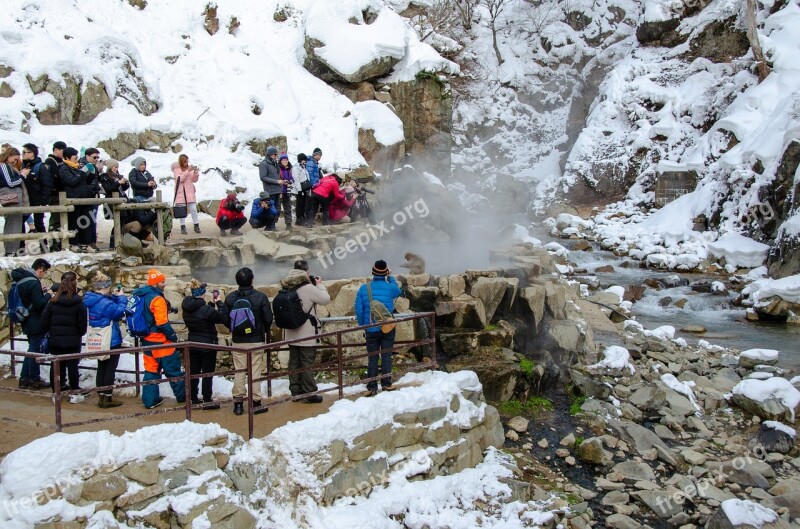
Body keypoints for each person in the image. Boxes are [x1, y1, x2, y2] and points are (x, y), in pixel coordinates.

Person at [133, 269, 186, 409]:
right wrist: (173, 336)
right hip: (161, 342)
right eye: (162, 282)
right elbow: (162, 323)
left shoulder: (142, 295)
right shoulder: (157, 299)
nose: (164, 284)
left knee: (151, 371)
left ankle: (150, 400)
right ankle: (183, 398)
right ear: (156, 283)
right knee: (174, 370)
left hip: (147, 340)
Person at [224, 267, 272, 416]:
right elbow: (268, 319)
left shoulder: (231, 298)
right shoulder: (260, 297)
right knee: (255, 371)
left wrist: (235, 330)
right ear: (252, 280)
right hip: (256, 339)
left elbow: (225, 319)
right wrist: (262, 330)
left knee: (239, 371)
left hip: (238, 340)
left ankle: (238, 404)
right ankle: (255, 403)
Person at [279, 266, 330, 403]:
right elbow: (325, 299)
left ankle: (296, 392)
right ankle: (310, 394)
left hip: (291, 333)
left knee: (294, 362)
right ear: (305, 273)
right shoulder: (309, 288)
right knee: (307, 363)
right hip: (307, 333)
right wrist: (320, 285)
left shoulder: (286, 287)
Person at [354, 260, 403, 397]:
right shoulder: (390, 287)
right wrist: (391, 276)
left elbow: (359, 309)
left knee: (373, 358)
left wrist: (363, 325)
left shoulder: (364, 288)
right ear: (385, 272)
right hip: (387, 327)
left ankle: (371, 387)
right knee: (386, 356)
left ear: (372, 272)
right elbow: (398, 290)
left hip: (371, 328)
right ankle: (386, 384)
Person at [41, 272, 88, 401]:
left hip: (55, 339)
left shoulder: (52, 302)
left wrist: (52, 331)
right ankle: (74, 393)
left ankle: (56, 393)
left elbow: (44, 321)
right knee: (73, 366)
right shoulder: (79, 303)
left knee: (55, 366)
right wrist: (77, 333)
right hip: (73, 340)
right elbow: (82, 325)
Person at [181, 280, 228, 409]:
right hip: (208, 345)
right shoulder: (205, 309)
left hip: (193, 343)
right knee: (207, 373)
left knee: (194, 372)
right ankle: (207, 400)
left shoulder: (186, 308)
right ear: (202, 294)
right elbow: (221, 318)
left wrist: (210, 305)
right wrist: (219, 302)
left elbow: (203, 316)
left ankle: (193, 398)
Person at [84, 276, 128, 408]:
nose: (109, 289)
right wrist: (121, 298)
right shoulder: (104, 303)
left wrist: (113, 297)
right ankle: (108, 398)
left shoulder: (92, 299)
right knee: (110, 369)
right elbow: (118, 312)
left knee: (101, 367)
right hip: (110, 339)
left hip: (99, 338)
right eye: (108, 287)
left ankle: (101, 396)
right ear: (103, 287)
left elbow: (108, 306)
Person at [10, 258, 52, 389]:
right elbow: (39, 304)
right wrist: (48, 295)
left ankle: (24, 379)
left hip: (25, 319)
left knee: (31, 350)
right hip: (35, 321)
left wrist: (40, 293)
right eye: (44, 273)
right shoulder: (33, 282)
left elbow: (28, 298)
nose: (43, 275)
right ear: (40, 269)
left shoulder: (21, 279)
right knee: (35, 351)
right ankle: (34, 379)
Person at [59, 147, 99, 253]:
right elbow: (72, 181)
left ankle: (85, 243)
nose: (77, 160)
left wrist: (91, 173)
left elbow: (85, 181)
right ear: (68, 157)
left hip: (83, 197)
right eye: (74, 158)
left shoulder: (77, 167)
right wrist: (82, 172)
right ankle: (73, 243)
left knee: (85, 221)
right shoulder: (64, 168)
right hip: (73, 198)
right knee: (74, 222)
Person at [0, 145, 29, 256]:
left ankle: (12, 250)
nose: (15, 161)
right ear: (9, 156)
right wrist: (22, 175)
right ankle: (10, 251)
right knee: (12, 224)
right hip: (11, 197)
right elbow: (10, 182)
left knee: (15, 224)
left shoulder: (8, 166)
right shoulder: (3, 166)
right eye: (14, 159)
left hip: (14, 197)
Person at [21, 143, 52, 235]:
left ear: (31, 154)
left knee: (39, 223)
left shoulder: (41, 167)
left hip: (38, 201)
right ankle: (21, 246)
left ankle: (43, 246)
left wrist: (43, 202)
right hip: (26, 200)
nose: (23, 154)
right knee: (20, 222)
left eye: (24, 152)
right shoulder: (24, 165)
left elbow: (47, 185)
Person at [99, 159, 129, 249]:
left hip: (120, 199)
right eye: (115, 167)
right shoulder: (104, 177)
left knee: (123, 220)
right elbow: (108, 189)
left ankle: (120, 239)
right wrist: (118, 183)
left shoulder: (117, 176)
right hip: (111, 201)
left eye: (117, 167)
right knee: (117, 220)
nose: (116, 169)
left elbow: (122, 189)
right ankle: (113, 242)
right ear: (110, 167)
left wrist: (125, 183)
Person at [79, 147, 103, 251]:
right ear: (87, 156)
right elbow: (85, 180)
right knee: (87, 220)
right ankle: (87, 242)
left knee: (93, 220)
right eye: (94, 157)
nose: (96, 159)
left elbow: (96, 180)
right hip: (87, 196)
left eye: (98, 157)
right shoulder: (83, 166)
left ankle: (92, 241)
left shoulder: (93, 166)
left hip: (94, 196)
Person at [45, 141, 67, 250]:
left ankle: (60, 243)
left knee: (62, 220)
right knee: (55, 220)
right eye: (62, 150)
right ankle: (53, 243)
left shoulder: (61, 161)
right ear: (56, 150)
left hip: (62, 194)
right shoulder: (50, 161)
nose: (63, 152)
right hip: (55, 194)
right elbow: (56, 177)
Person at [172, 154, 201, 234]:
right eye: (185, 162)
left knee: (193, 209)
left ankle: (196, 225)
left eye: (187, 161)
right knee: (182, 211)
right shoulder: (176, 169)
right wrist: (188, 171)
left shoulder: (189, 169)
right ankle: (182, 227)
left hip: (190, 192)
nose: (186, 163)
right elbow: (180, 179)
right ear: (181, 162)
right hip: (181, 193)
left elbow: (194, 180)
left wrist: (195, 173)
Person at [258, 146, 282, 230]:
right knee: (270, 208)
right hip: (270, 190)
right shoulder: (264, 164)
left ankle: (272, 225)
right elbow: (263, 177)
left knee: (276, 208)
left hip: (277, 189)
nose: (276, 156)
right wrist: (276, 181)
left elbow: (277, 174)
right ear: (271, 154)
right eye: (275, 154)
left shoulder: (274, 163)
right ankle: (269, 226)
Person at [292, 153, 311, 225]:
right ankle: (299, 219)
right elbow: (296, 179)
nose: (305, 161)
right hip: (299, 189)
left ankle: (303, 217)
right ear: (300, 160)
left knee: (303, 204)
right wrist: (299, 190)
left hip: (304, 188)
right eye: (303, 160)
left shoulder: (303, 167)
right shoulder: (296, 168)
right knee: (299, 204)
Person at [277, 153, 294, 229]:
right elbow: (277, 179)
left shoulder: (289, 169)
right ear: (280, 161)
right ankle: (272, 224)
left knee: (288, 208)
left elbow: (292, 179)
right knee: (278, 208)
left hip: (287, 190)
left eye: (286, 160)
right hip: (280, 191)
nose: (285, 161)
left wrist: (289, 181)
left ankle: (288, 224)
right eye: (283, 160)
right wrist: (283, 181)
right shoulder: (278, 168)